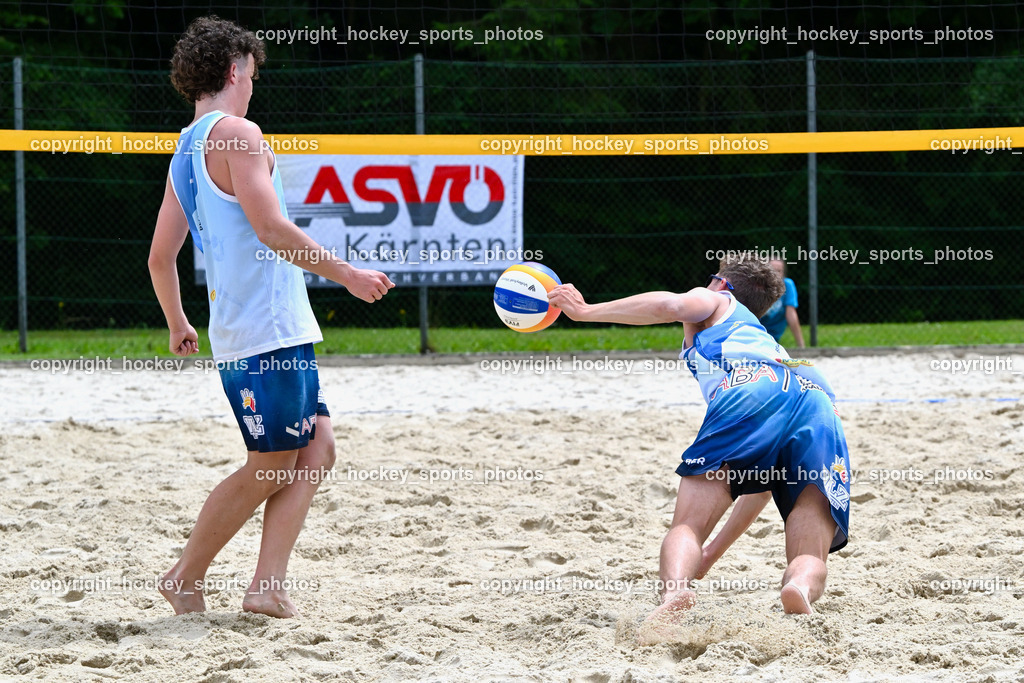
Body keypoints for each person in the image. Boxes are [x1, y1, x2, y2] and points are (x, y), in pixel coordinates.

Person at [148, 16, 394, 618]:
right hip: (265, 331)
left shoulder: (184, 149)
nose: (253, 85)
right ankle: (185, 575)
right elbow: (271, 229)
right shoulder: (239, 133)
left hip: (252, 329)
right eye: (252, 74)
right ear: (235, 70)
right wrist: (347, 274)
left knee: (317, 450)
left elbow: (159, 257)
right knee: (271, 465)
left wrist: (179, 322)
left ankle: (266, 586)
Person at [547, 255, 850, 637]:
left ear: (722, 283)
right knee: (809, 547)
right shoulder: (769, 344)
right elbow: (759, 487)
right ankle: (799, 587)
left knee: (688, 525)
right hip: (818, 403)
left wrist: (585, 311)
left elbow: (671, 306)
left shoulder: (720, 299)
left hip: (752, 389)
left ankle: (675, 592)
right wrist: (709, 556)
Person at [758, 259, 805, 348]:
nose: (775, 274)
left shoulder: (787, 285)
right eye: (772, 270)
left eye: (779, 271)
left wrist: (801, 345)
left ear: (783, 273)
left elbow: (791, 314)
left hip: (774, 335)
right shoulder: (758, 286)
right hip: (757, 334)